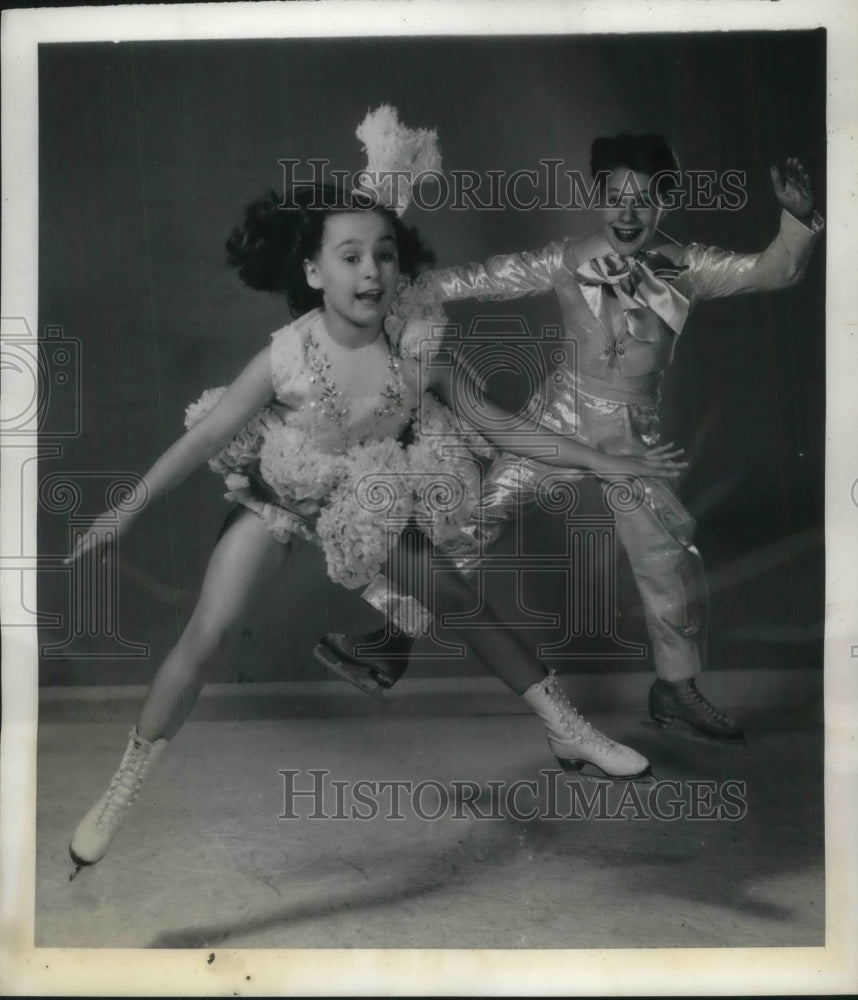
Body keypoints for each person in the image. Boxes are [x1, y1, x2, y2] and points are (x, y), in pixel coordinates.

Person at [65, 175, 689, 876]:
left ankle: (566, 729)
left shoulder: (419, 354)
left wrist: (606, 464)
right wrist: (123, 509)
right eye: (351, 256)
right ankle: (123, 788)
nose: (371, 271)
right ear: (313, 272)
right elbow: (202, 440)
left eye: (385, 255)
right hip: (282, 494)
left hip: (364, 502)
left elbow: (508, 430)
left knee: (455, 596)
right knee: (207, 635)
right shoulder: (285, 356)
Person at [316, 135, 822, 748]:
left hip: (634, 434)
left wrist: (796, 219)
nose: (627, 213)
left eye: (643, 199)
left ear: (666, 201)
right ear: (596, 198)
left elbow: (774, 270)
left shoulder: (689, 267)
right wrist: (405, 285)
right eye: (614, 198)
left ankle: (677, 687)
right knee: (474, 511)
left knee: (666, 555)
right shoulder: (567, 258)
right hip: (558, 416)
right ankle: (391, 643)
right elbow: (487, 276)